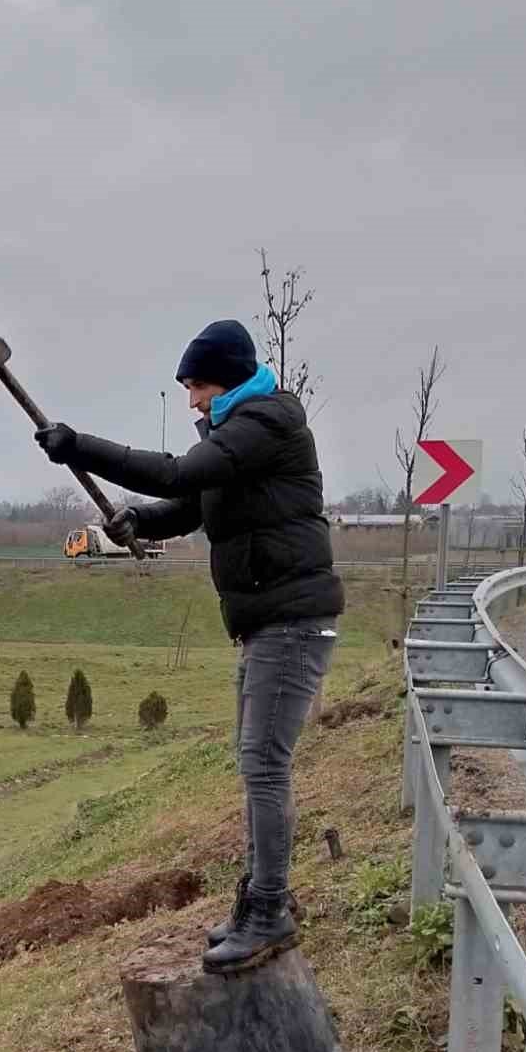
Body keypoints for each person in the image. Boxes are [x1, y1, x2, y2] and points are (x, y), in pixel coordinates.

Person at [35, 318, 343, 974]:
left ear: (227, 377)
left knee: (264, 764)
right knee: (253, 761)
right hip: (266, 621)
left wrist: (79, 446)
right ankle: (255, 902)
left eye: (198, 385)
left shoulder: (266, 424)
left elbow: (177, 475)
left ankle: (270, 911)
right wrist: (137, 520)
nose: (192, 400)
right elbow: (192, 505)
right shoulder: (236, 433)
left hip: (293, 619)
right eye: (187, 388)